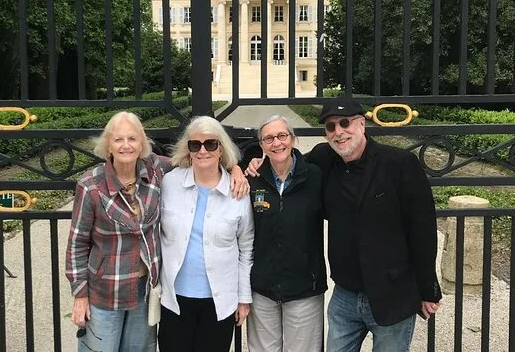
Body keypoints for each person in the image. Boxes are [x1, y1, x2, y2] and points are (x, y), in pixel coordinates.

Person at [246, 97, 442, 351]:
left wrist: (428, 290)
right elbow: (285, 162)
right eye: (331, 127)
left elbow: (422, 229)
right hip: (345, 295)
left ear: (361, 124)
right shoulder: (324, 158)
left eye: (345, 123)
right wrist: (251, 165)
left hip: (393, 292)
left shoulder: (399, 163)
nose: (338, 132)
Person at [65, 111, 248, 352]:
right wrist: (80, 295)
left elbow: (204, 158)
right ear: (108, 144)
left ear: (142, 143)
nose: (126, 145)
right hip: (106, 291)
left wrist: (235, 168)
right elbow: (77, 243)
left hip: (144, 291)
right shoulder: (91, 185)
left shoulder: (154, 171)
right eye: (118, 139)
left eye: (132, 138)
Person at [158, 116, 254, 352]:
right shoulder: (169, 183)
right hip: (175, 298)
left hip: (219, 300)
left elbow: (246, 248)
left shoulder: (237, 191)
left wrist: (243, 298)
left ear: (221, 149)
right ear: (188, 150)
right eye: (195, 145)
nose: (203, 151)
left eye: (211, 144)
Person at [246, 115, 327, 352]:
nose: (276, 143)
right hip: (262, 288)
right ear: (261, 145)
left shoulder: (315, 176)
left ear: (292, 139)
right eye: (269, 138)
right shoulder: (252, 179)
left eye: (282, 136)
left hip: (304, 287)